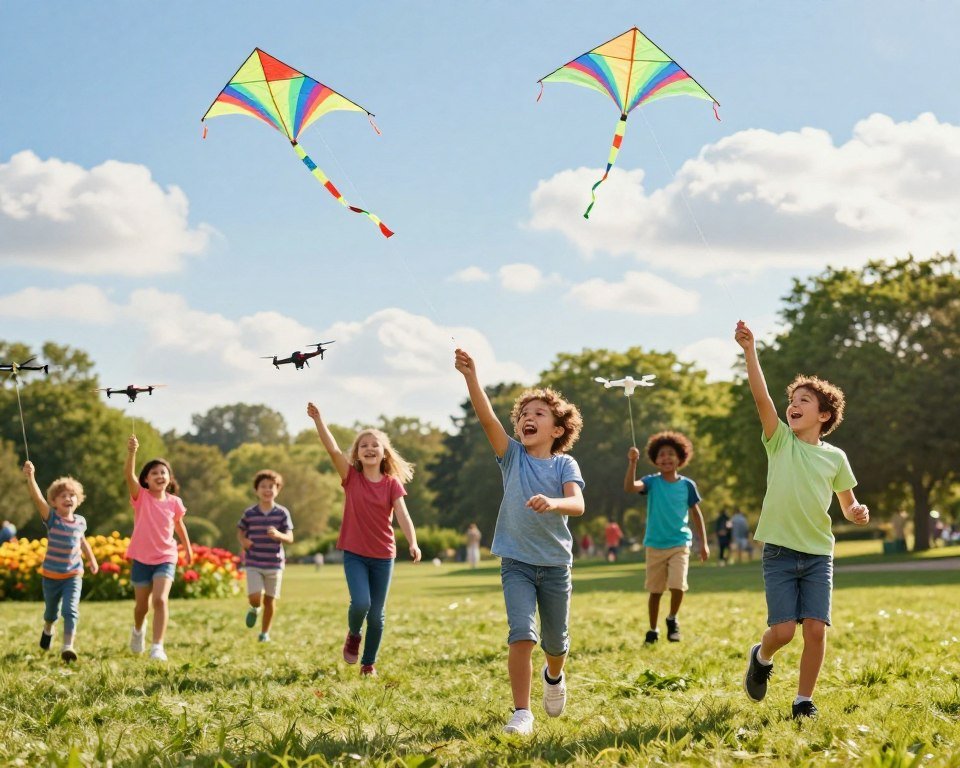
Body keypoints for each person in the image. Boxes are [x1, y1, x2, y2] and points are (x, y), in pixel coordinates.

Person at [735, 320, 869, 720]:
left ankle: (802, 700)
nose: (793, 404)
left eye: (804, 400)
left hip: (817, 554)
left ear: (824, 415)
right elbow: (762, 400)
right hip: (779, 551)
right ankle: (761, 656)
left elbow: (847, 503)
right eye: (792, 399)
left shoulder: (835, 457)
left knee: (814, 629)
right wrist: (749, 351)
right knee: (784, 632)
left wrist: (855, 512)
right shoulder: (779, 441)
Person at [455, 348, 585, 736]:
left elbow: (577, 503)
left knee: (555, 643)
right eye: (523, 414)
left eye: (538, 414)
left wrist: (554, 502)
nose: (528, 418)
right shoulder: (511, 457)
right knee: (522, 634)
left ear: (558, 430)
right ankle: (522, 712)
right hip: (516, 562)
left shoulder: (565, 464)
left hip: (555, 565)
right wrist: (471, 377)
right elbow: (486, 417)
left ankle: (553, 675)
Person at [307, 402, 421, 677]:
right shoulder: (351, 478)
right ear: (357, 453)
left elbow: (403, 515)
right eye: (363, 445)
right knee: (361, 603)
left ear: (384, 453)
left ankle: (368, 664)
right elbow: (333, 449)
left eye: (375, 445)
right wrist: (319, 420)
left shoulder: (392, 483)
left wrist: (413, 542)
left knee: (377, 615)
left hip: (383, 555)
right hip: (355, 553)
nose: (369, 449)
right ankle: (354, 634)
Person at [624, 432, 709, 644]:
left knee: (678, 585)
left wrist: (704, 543)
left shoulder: (687, 485)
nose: (666, 458)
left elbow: (696, 513)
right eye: (661, 455)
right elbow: (629, 487)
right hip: (654, 545)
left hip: (680, 543)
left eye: (671, 454)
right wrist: (632, 463)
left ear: (681, 458)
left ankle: (672, 619)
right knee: (655, 592)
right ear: (655, 459)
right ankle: (652, 630)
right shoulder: (651, 482)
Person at [124, 436, 193, 662]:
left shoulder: (174, 502)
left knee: (160, 600)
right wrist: (132, 452)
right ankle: (137, 630)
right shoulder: (140, 497)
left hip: (166, 556)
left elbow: (179, 525)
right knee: (141, 607)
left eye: (163, 472)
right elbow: (128, 475)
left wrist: (188, 549)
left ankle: (157, 646)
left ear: (169, 478)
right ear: (146, 479)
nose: (159, 476)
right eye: (154, 473)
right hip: (142, 558)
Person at [22, 461, 98, 662]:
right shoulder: (52, 519)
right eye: (62, 496)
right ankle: (48, 629)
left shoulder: (80, 522)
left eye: (72, 495)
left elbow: (82, 542)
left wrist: (91, 560)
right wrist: (31, 478)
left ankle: (68, 646)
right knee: (51, 612)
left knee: (70, 610)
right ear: (54, 502)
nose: (68, 498)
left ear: (78, 499)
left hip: (73, 574)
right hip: (51, 576)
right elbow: (37, 498)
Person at [237, 469, 294, 642]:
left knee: (270, 600)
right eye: (263, 486)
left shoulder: (282, 513)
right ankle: (254, 608)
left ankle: (264, 633)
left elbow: (290, 537)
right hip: (254, 561)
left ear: (278, 490)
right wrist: (243, 541)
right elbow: (240, 530)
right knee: (255, 597)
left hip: (274, 564)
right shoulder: (250, 513)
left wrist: (279, 535)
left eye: (271, 486)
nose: (267, 489)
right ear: (256, 490)